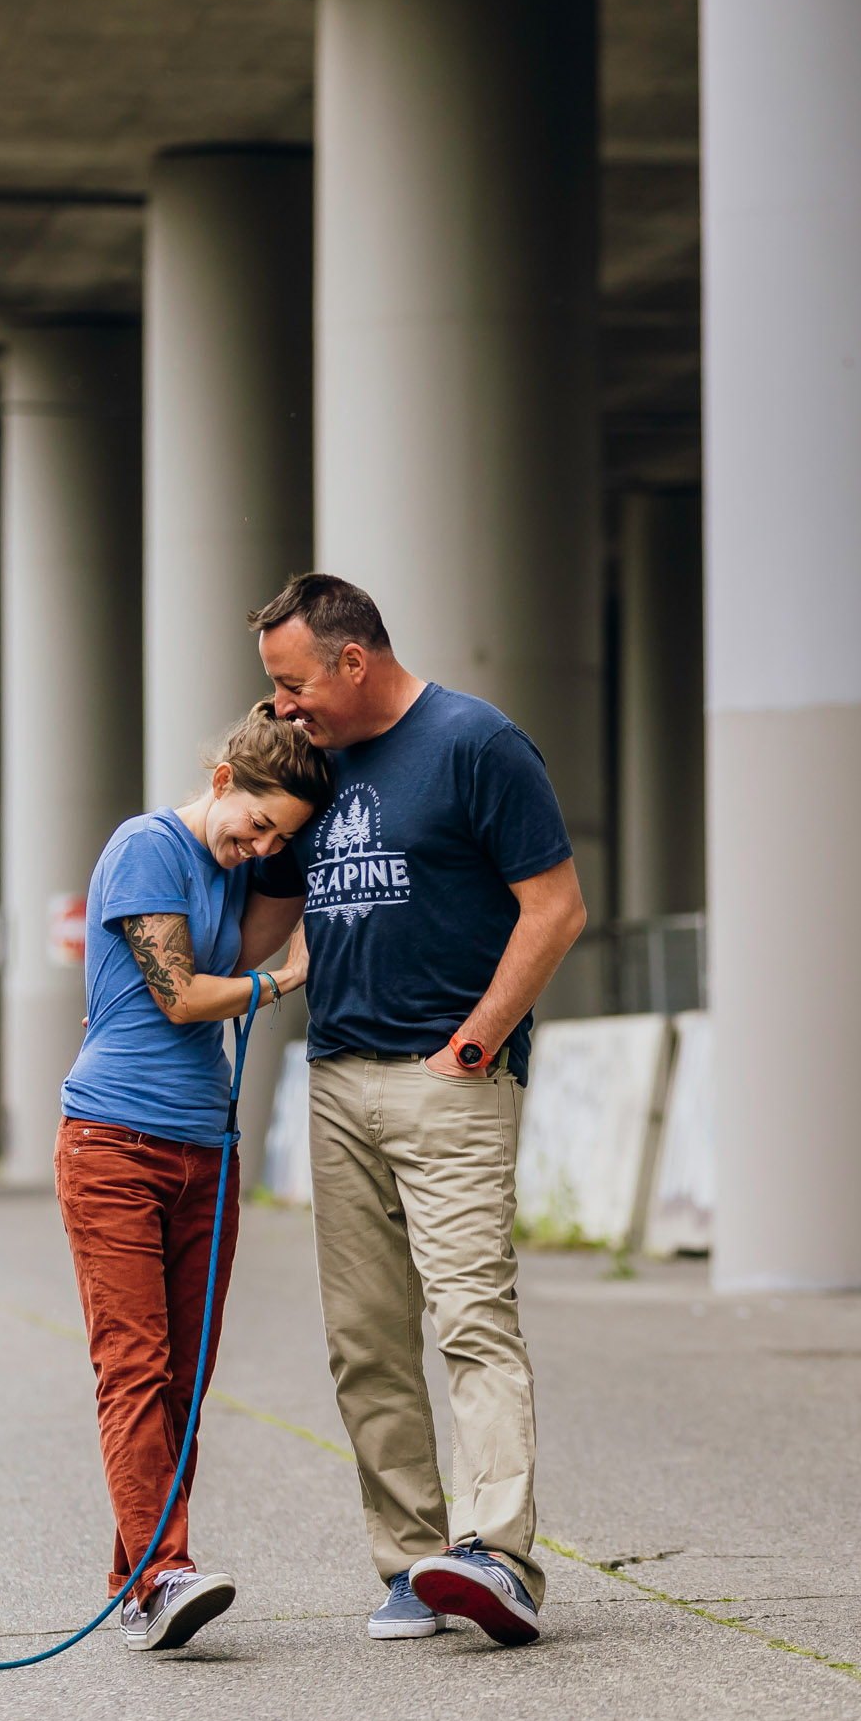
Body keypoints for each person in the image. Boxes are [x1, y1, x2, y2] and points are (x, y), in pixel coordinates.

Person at [249, 573, 587, 1648]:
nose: (281, 704)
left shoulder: (476, 743)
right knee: (365, 1340)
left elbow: (556, 906)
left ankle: (496, 1556)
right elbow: (261, 925)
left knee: (471, 1319)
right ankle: (410, 1564)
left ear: (353, 660)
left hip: (449, 1080)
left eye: (291, 683)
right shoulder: (312, 765)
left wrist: (472, 1046)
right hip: (339, 1078)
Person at [56, 702, 333, 1653]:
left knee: (185, 1375)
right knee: (132, 1366)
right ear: (221, 781)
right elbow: (182, 996)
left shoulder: (237, 869)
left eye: (279, 838)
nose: (258, 847)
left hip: (205, 1153)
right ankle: (166, 1571)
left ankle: (139, 1582)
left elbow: (256, 936)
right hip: (113, 1147)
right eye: (255, 822)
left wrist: (295, 858)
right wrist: (281, 985)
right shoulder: (146, 846)